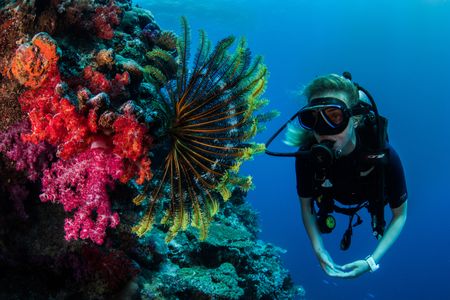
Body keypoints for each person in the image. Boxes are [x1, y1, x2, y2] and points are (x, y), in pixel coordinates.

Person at [271, 73, 408, 278]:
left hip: (368, 197)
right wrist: (320, 250)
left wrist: (371, 262)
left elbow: (400, 215)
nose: (323, 130)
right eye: (313, 118)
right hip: (330, 198)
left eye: (334, 116)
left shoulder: (385, 156)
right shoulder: (307, 155)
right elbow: (306, 207)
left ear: (355, 120)